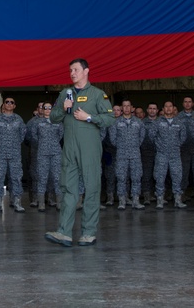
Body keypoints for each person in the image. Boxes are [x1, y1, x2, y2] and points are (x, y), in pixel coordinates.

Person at [45, 59, 115, 248]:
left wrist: (89, 117)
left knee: (92, 188)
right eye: (70, 70)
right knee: (68, 188)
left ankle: (88, 233)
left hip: (90, 147)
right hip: (69, 147)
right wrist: (63, 108)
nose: (72, 73)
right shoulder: (64, 94)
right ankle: (64, 232)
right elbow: (53, 118)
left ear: (86, 71)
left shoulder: (97, 95)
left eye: (75, 70)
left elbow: (110, 118)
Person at [0, 97, 27, 213]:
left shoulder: (18, 119)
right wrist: (0, 145)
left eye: (12, 102)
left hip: (14, 153)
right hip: (0, 153)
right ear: (3, 105)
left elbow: (22, 135)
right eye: (7, 102)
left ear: (14, 106)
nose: (9, 104)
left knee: (16, 178)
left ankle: (17, 202)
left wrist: (13, 144)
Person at [108, 99, 145, 210]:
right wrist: (122, 146)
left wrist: (133, 145)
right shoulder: (115, 122)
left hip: (135, 154)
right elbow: (113, 139)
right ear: (122, 108)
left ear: (132, 108)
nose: (127, 108)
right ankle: (122, 201)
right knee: (121, 177)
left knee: (136, 177)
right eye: (124, 106)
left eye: (129, 106)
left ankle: (135, 201)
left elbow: (141, 137)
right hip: (121, 154)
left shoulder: (138, 122)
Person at [151, 101, 187, 208]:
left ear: (173, 108)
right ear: (163, 109)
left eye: (170, 106)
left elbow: (183, 137)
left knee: (177, 176)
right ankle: (160, 200)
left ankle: (177, 200)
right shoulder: (157, 122)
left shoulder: (179, 122)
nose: (168, 108)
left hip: (175, 154)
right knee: (159, 176)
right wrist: (160, 146)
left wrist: (175, 146)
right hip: (161, 154)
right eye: (166, 107)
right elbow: (152, 136)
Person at [31, 103, 63, 211]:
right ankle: (41, 203)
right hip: (42, 153)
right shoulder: (37, 123)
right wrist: (43, 144)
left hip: (56, 153)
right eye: (45, 108)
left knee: (57, 177)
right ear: (42, 110)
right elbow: (34, 136)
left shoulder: (58, 121)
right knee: (42, 177)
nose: (48, 110)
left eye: (50, 108)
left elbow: (60, 135)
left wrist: (52, 144)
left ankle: (59, 202)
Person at [140, 102, 159, 204]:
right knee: (147, 175)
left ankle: (159, 195)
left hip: (160, 152)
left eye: (154, 108)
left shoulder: (161, 122)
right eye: (150, 108)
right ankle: (147, 196)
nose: (152, 110)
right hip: (146, 152)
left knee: (159, 175)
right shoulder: (142, 122)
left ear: (157, 110)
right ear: (147, 110)